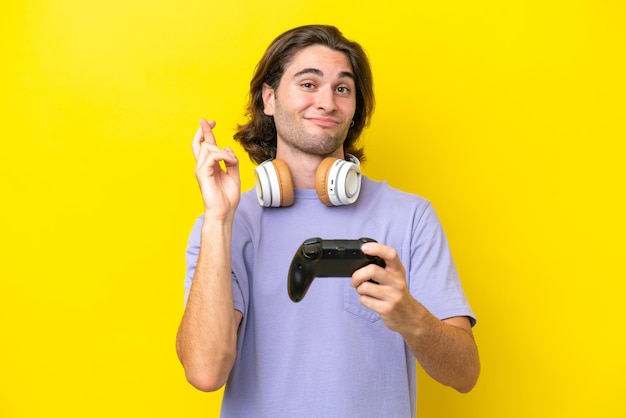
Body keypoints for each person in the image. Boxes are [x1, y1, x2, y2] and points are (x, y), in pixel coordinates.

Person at [176, 24, 480, 417]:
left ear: (354, 107)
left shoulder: (409, 216)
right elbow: (204, 371)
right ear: (269, 98)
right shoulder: (228, 225)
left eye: (342, 88)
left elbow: (466, 373)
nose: (327, 102)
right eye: (308, 84)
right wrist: (217, 220)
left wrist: (410, 317)